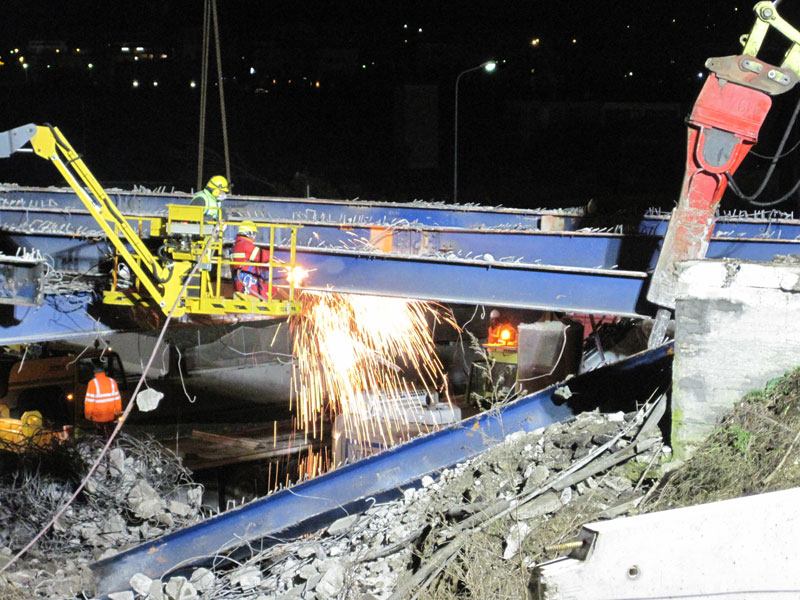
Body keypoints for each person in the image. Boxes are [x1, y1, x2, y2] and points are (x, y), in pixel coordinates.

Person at [232, 221, 272, 300]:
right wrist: (274, 257)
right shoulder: (245, 245)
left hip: (245, 282)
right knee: (264, 298)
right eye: (253, 233)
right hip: (247, 285)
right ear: (248, 233)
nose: (254, 236)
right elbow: (261, 255)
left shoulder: (239, 244)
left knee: (272, 290)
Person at [84, 362, 122, 436]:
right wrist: (117, 411)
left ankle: (102, 445)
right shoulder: (112, 381)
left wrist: (88, 415)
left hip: (98, 417)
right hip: (110, 415)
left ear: (94, 374)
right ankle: (112, 445)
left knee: (100, 436)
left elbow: (89, 402)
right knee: (111, 435)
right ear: (104, 372)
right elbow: (117, 398)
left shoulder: (92, 383)